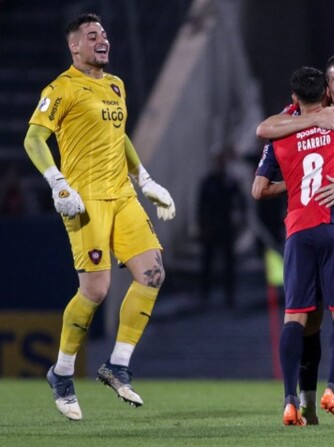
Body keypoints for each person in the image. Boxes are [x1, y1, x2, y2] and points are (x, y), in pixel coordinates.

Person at [23, 13, 175, 421]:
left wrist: (144, 178)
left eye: (104, 34)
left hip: (122, 195)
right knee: (96, 291)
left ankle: (118, 365)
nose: (102, 40)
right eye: (92, 36)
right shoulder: (62, 88)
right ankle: (62, 373)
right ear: (75, 46)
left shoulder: (115, 85)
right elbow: (33, 137)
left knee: (153, 274)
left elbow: (119, 133)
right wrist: (57, 183)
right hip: (84, 198)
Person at [256, 53, 334, 421]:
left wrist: (300, 184)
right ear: (325, 87)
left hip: (297, 229)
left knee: (298, 318)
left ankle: (291, 399)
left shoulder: (283, 130)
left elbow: (258, 185)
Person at [196, 150, 245, 308]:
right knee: (208, 261)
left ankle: (229, 296)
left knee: (228, 262)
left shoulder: (230, 182)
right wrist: (202, 226)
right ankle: (205, 294)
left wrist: (239, 221)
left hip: (226, 225)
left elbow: (241, 202)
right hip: (212, 225)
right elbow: (201, 206)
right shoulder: (209, 182)